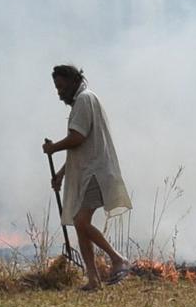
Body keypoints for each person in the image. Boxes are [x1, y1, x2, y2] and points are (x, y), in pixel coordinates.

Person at [43, 64, 132, 290]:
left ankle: (118, 259)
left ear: (73, 82)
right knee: (80, 223)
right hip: (89, 170)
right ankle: (93, 279)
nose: (59, 93)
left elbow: (77, 138)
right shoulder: (85, 100)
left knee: (80, 221)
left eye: (61, 87)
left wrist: (53, 148)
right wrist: (62, 174)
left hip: (95, 172)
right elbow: (80, 148)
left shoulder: (84, 99)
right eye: (56, 88)